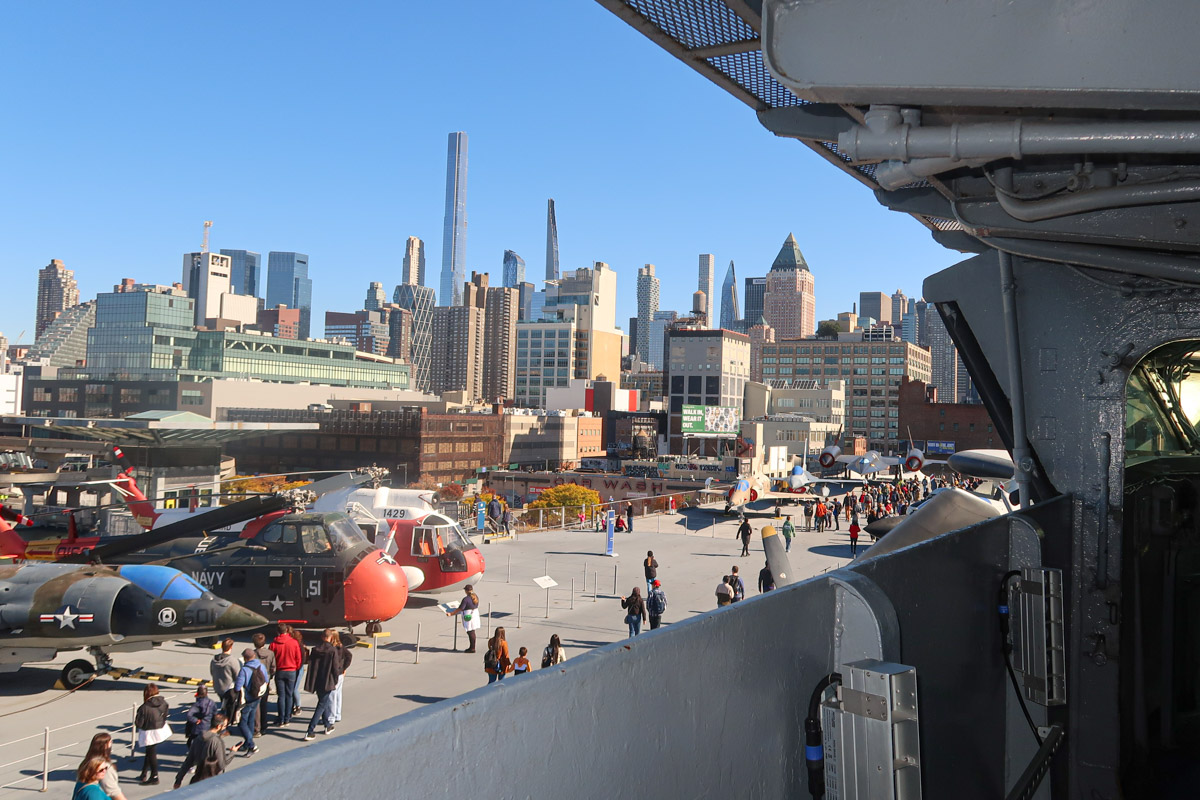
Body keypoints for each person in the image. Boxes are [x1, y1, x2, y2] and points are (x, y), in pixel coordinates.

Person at [302, 629, 341, 740]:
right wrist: (335, 680)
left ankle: (327, 725)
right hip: (327, 681)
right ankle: (310, 730)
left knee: (322, 702)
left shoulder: (315, 649)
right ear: (330, 638)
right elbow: (335, 668)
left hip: (316, 680)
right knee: (321, 705)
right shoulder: (332, 650)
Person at [174, 713, 230, 788]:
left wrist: (178, 779)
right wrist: (232, 753)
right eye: (225, 726)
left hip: (199, 777)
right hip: (214, 780)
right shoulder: (217, 741)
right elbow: (222, 764)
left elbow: (188, 761)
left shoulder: (198, 738)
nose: (225, 728)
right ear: (219, 726)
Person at [231, 648, 268, 755]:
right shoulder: (261, 665)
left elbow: (238, 687)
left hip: (247, 699)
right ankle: (247, 743)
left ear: (246, 658)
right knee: (251, 720)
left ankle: (251, 745)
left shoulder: (244, 669)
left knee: (242, 723)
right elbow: (266, 679)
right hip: (257, 697)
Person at [134, 684, 170, 785]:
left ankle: (154, 776)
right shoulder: (163, 702)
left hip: (148, 732)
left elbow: (138, 723)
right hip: (160, 729)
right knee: (149, 751)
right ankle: (144, 773)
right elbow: (166, 714)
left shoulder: (144, 707)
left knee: (151, 753)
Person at [269, 622, 302, 728]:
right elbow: (298, 658)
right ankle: (287, 717)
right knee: (289, 694)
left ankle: (281, 718)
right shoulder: (293, 642)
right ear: (287, 631)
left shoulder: (273, 644)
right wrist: (295, 667)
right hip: (291, 670)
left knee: (281, 695)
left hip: (280, 671)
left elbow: (271, 659)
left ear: (278, 631)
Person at [82, 733, 126, 800]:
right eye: (110, 741)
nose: (104, 771)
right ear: (105, 746)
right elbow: (114, 793)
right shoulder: (104, 766)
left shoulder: (86, 762)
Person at [209, 638, 240, 724]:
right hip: (229, 688)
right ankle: (228, 721)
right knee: (230, 706)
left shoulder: (214, 660)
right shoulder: (232, 660)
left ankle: (224, 717)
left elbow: (212, 672)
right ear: (231, 647)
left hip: (218, 687)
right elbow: (237, 675)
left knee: (223, 703)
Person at [251, 632, 276, 737]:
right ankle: (264, 726)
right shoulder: (270, 653)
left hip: (255, 681)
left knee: (255, 704)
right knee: (264, 704)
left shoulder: (252, 654)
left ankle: (256, 727)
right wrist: (270, 676)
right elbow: (273, 667)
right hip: (266, 681)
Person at [446, 584, 481, 653]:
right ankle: (472, 647)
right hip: (474, 614)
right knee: (472, 631)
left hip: (468, 615)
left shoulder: (466, 599)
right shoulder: (475, 596)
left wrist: (451, 613)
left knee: (470, 631)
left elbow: (460, 608)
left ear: (466, 591)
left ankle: (472, 648)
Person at [330, 634, 353, 724]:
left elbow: (349, 656)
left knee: (332, 695)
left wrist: (343, 667)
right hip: (340, 673)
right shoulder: (341, 647)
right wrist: (344, 668)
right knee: (338, 693)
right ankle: (337, 714)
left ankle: (332, 716)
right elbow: (349, 656)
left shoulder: (334, 648)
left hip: (335, 673)